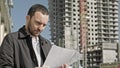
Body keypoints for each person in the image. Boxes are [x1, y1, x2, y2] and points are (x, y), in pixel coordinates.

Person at [0, 4, 68, 68]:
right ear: (28, 18)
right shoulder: (11, 40)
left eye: (44, 25)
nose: (40, 28)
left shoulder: (47, 44)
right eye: (38, 23)